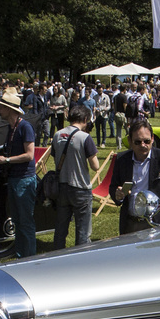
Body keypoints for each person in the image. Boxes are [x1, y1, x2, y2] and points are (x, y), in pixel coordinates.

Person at [111, 119, 160, 233]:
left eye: (147, 141)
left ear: (152, 139)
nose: (143, 145)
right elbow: (113, 187)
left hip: (157, 224)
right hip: (130, 223)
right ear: (130, 141)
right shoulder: (122, 160)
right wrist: (118, 194)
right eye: (137, 142)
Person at [0, 88, 38, 258]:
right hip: (14, 178)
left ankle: (30, 257)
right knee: (18, 222)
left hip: (24, 179)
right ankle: (21, 255)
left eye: (2, 107)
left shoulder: (25, 127)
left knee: (26, 222)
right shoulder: (12, 128)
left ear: (10, 109)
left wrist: (7, 160)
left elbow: (30, 155)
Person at [51, 103, 100, 248]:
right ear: (85, 118)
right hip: (80, 188)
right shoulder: (84, 137)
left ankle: (57, 255)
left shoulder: (57, 134)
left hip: (61, 186)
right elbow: (95, 166)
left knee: (60, 229)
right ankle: (81, 260)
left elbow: (55, 157)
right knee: (83, 231)